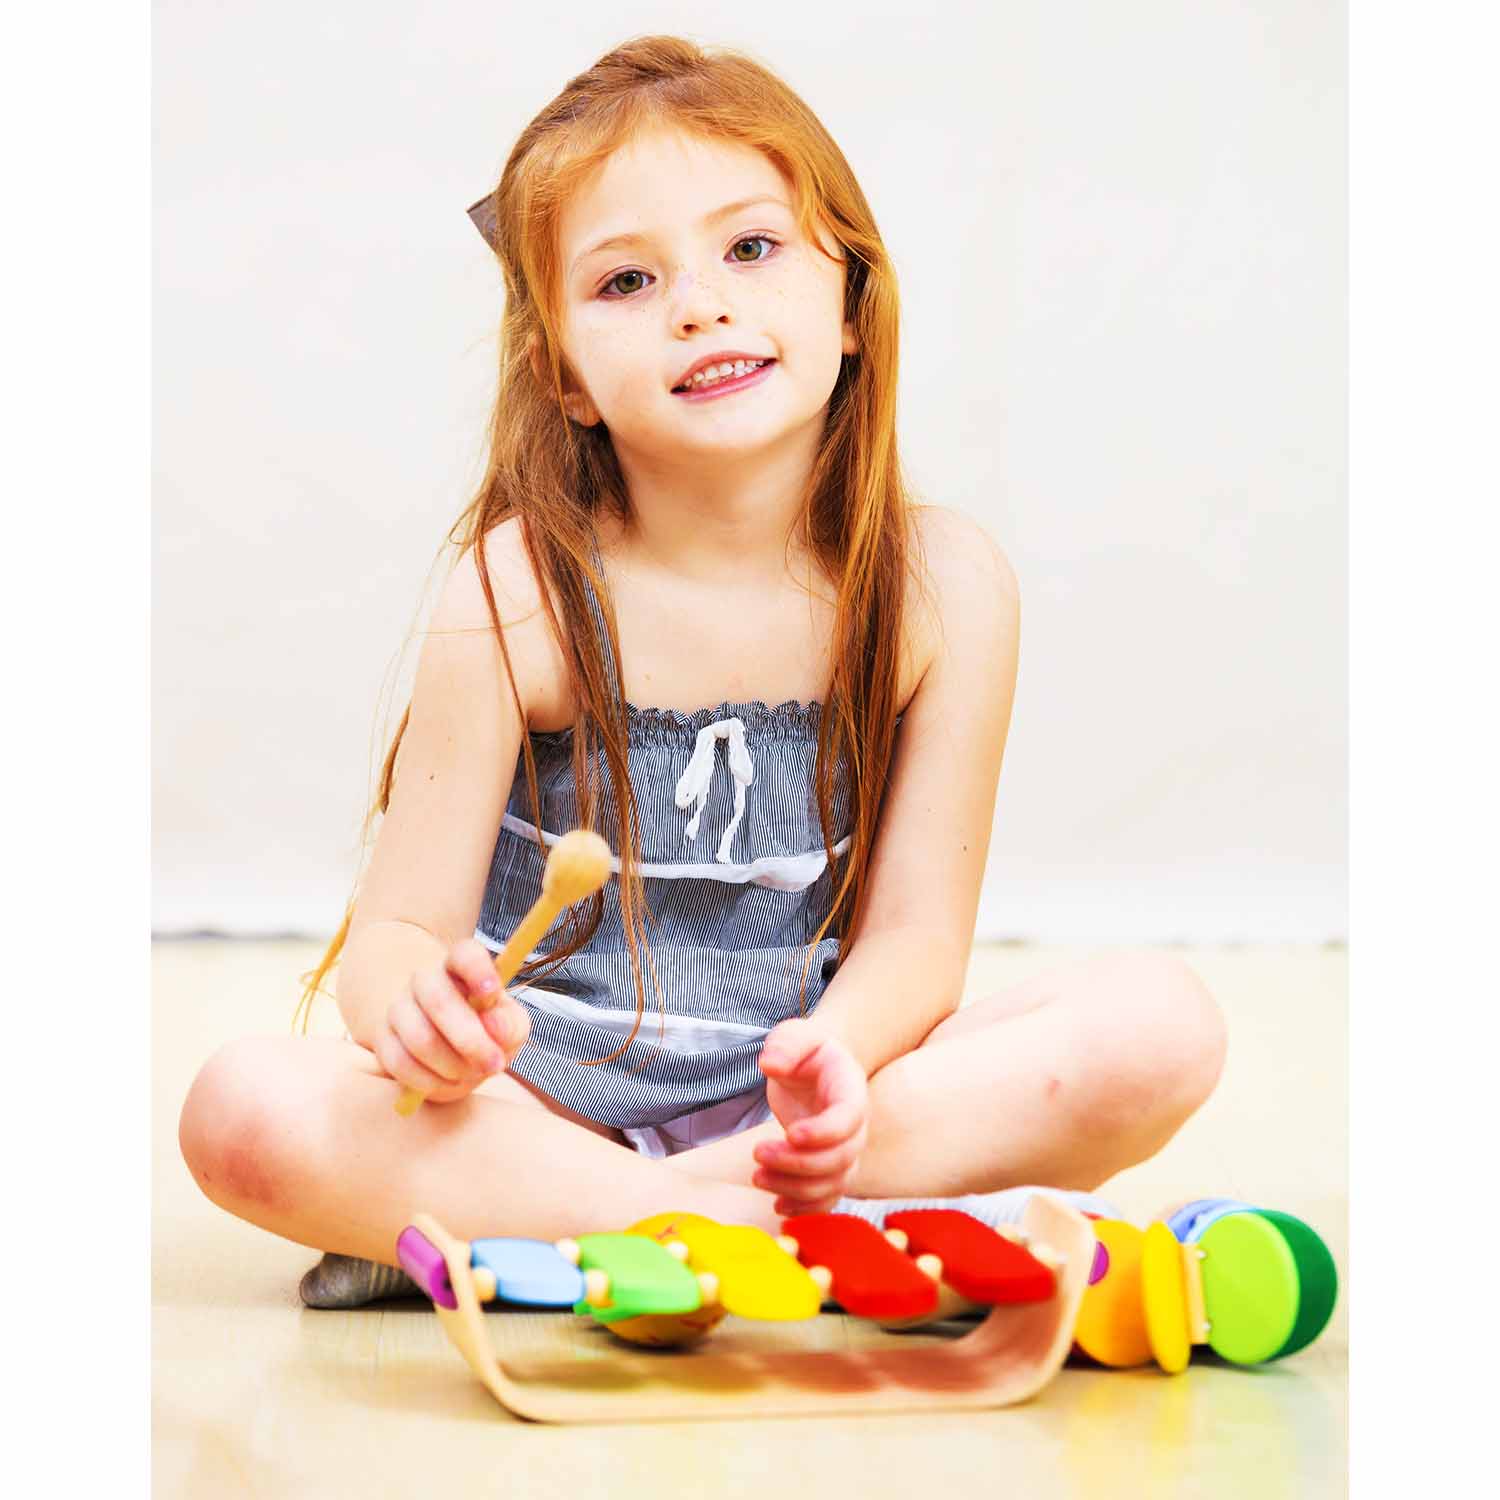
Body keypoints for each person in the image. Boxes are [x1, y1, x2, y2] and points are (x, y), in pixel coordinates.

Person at [178, 35, 1227, 1309]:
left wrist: (833, 1068)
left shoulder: (943, 589)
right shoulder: (519, 595)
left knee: (1162, 1027)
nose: (699, 304)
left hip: (793, 1104)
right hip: (537, 1113)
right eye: (627, 279)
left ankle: (610, 1224)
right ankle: (711, 1222)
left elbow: (915, 939)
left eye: (751, 247)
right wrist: (418, 1015)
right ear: (564, 376)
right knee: (244, 1108)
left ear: (852, 300)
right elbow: (396, 932)